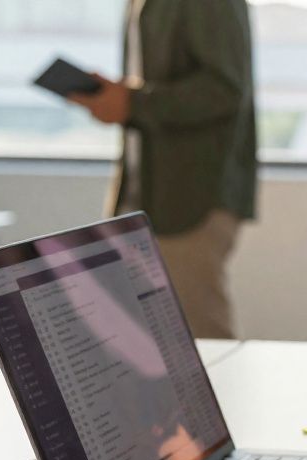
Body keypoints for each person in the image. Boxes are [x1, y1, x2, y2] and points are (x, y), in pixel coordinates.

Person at [71, 0, 257, 340]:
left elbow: (225, 90)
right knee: (142, 345)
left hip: (192, 198)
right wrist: (119, 98)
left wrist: (133, 102)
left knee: (202, 342)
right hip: (144, 198)